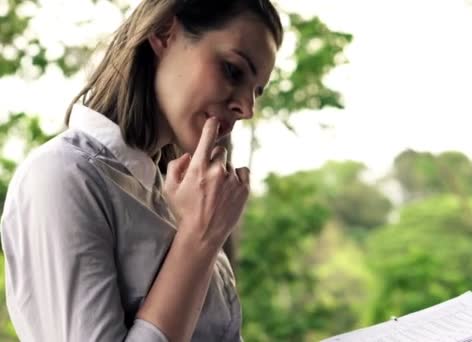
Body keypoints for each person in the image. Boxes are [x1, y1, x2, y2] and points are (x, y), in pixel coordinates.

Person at [0, 0, 282, 341]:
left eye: (256, 91)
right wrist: (198, 239)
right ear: (165, 33)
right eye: (233, 71)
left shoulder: (174, 195)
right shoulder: (62, 176)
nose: (247, 108)